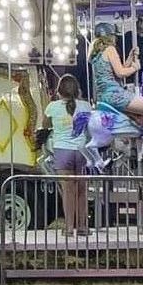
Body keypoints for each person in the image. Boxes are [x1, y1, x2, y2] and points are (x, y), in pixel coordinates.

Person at [89, 22, 143, 156]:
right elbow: (121, 73)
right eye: (114, 36)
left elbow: (116, 69)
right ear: (110, 36)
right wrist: (135, 67)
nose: (115, 38)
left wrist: (129, 58)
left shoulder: (96, 53)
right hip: (115, 93)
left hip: (102, 96)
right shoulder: (110, 49)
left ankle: (136, 143)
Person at [41, 74, 91, 237]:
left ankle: (69, 228)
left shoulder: (52, 107)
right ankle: (83, 227)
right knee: (82, 190)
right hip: (82, 151)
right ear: (77, 90)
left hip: (62, 151)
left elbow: (45, 126)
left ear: (59, 91)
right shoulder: (86, 106)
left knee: (67, 191)